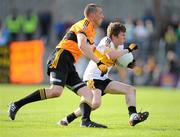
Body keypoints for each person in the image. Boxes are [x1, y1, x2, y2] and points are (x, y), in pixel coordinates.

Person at [8, 3, 109, 128]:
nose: (103, 17)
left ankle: (85, 121)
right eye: (100, 14)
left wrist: (107, 57)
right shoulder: (85, 24)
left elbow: (90, 49)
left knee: (87, 94)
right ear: (92, 15)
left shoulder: (91, 30)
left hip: (69, 62)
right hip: (61, 56)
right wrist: (98, 62)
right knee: (56, 91)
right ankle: (16, 104)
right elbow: (82, 46)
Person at [58, 22, 149, 127]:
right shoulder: (107, 40)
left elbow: (117, 61)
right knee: (95, 103)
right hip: (92, 77)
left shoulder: (120, 46)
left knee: (130, 90)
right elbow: (111, 55)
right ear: (114, 36)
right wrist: (128, 50)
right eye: (122, 35)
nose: (125, 37)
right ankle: (75, 120)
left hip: (103, 79)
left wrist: (129, 64)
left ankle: (133, 116)